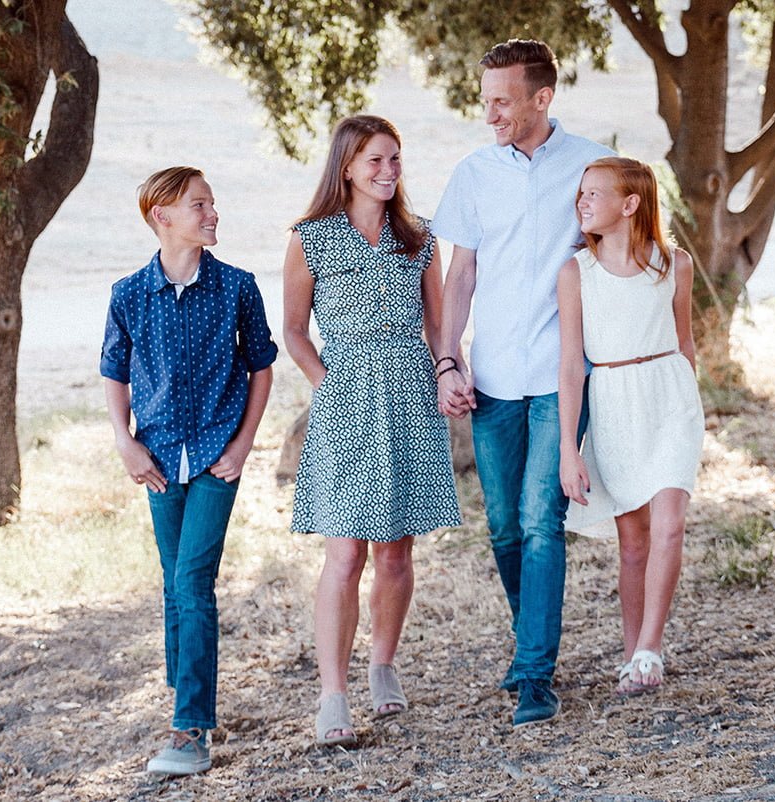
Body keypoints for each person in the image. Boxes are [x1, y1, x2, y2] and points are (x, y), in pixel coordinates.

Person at [433, 39, 613, 727]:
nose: (491, 116)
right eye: (486, 102)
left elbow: (621, 251)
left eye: (502, 101)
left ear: (543, 98)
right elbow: (462, 276)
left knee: (542, 521)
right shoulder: (474, 174)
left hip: (564, 374)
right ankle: (529, 644)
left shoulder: (591, 166)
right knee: (504, 527)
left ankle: (536, 673)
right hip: (495, 378)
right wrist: (448, 360)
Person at [284, 115, 460, 747]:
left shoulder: (420, 239)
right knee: (344, 553)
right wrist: (325, 384)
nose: (387, 172)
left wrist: (447, 370)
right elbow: (296, 330)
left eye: (395, 160)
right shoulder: (311, 238)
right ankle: (333, 693)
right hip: (345, 403)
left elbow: (440, 324)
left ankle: (382, 664)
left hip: (410, 395)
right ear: (347, 166)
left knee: (395, 550)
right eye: (374, 161)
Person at [100, 166, 278, 774]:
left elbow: (261, 368)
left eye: (213, 203)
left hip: (215, 457)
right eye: (199, 205)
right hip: (155, 457)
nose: (212, 214)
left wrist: (244, 445)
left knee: (192, 581)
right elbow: (114, 372)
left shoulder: (237, 287)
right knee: (174, 579)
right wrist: (124, 443)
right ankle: (187, 688)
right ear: (163, 217)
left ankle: (191, 728)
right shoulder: (128, 294)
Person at [557, 156, 704, 695]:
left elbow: (684, 342)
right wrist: (568, 450)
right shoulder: (577, 273)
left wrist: (690, 403)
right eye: (581, 194)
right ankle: (631, 652)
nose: (583, 203)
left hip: (669, 399)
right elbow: (571, 366)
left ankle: (650, 650)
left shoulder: (675, 264)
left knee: (669, 524)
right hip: (615, 402)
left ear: (630, 204)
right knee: (634, 542)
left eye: (595, 194)